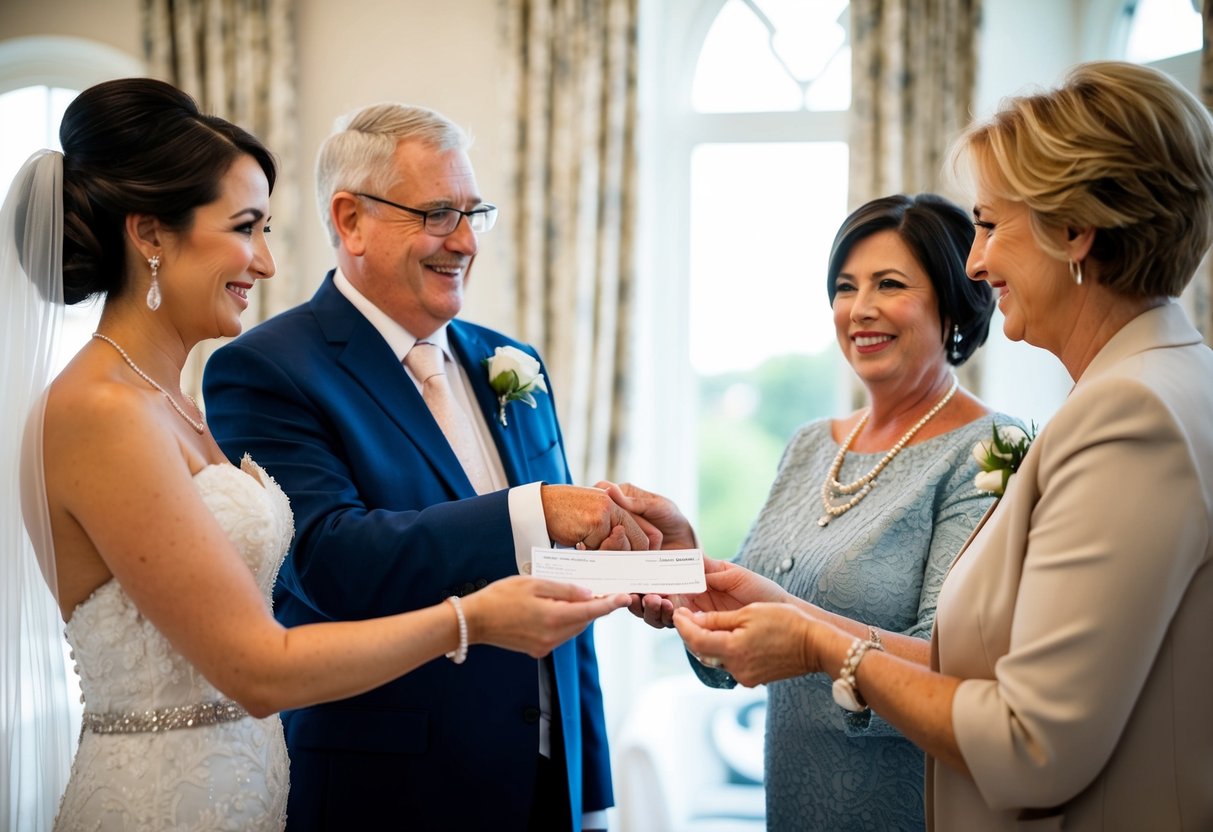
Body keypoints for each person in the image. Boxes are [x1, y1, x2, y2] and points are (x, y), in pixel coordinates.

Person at [0, 78, 634, 832]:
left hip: (255, 791)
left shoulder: (172, 403)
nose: (268, 263)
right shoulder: (109, 409)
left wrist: (635, 566)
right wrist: (470, 619)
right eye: (246, 228)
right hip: (171, 802)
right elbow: (264, 656)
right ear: (150, 236)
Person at [669, 61, 1213, 830]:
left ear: (1072, 231)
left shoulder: (1128, 415)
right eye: (845, 286)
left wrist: (821, 646)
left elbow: (1029, 741)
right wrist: (711, 582)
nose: (977, 262)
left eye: (989, 225)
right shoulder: (1155, 385)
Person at [201, 102, 646, 831]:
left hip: (545, 790)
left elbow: (563, 585)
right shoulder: (266, 370)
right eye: (439, 214)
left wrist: (589, 795)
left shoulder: (512, 362)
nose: (465, 241)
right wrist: (533, 510)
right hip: (390, 796)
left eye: (474, 214)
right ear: (350, 220)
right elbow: (329, 559)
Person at [611, 193, 1019, 831]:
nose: (861, 308)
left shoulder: (991, 451)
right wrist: (684, 568)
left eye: (889, 284)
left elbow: (955, 674)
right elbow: (739, 639)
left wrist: (805, 637)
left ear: (952, 301)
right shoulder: (810, 444)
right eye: (845, 287)